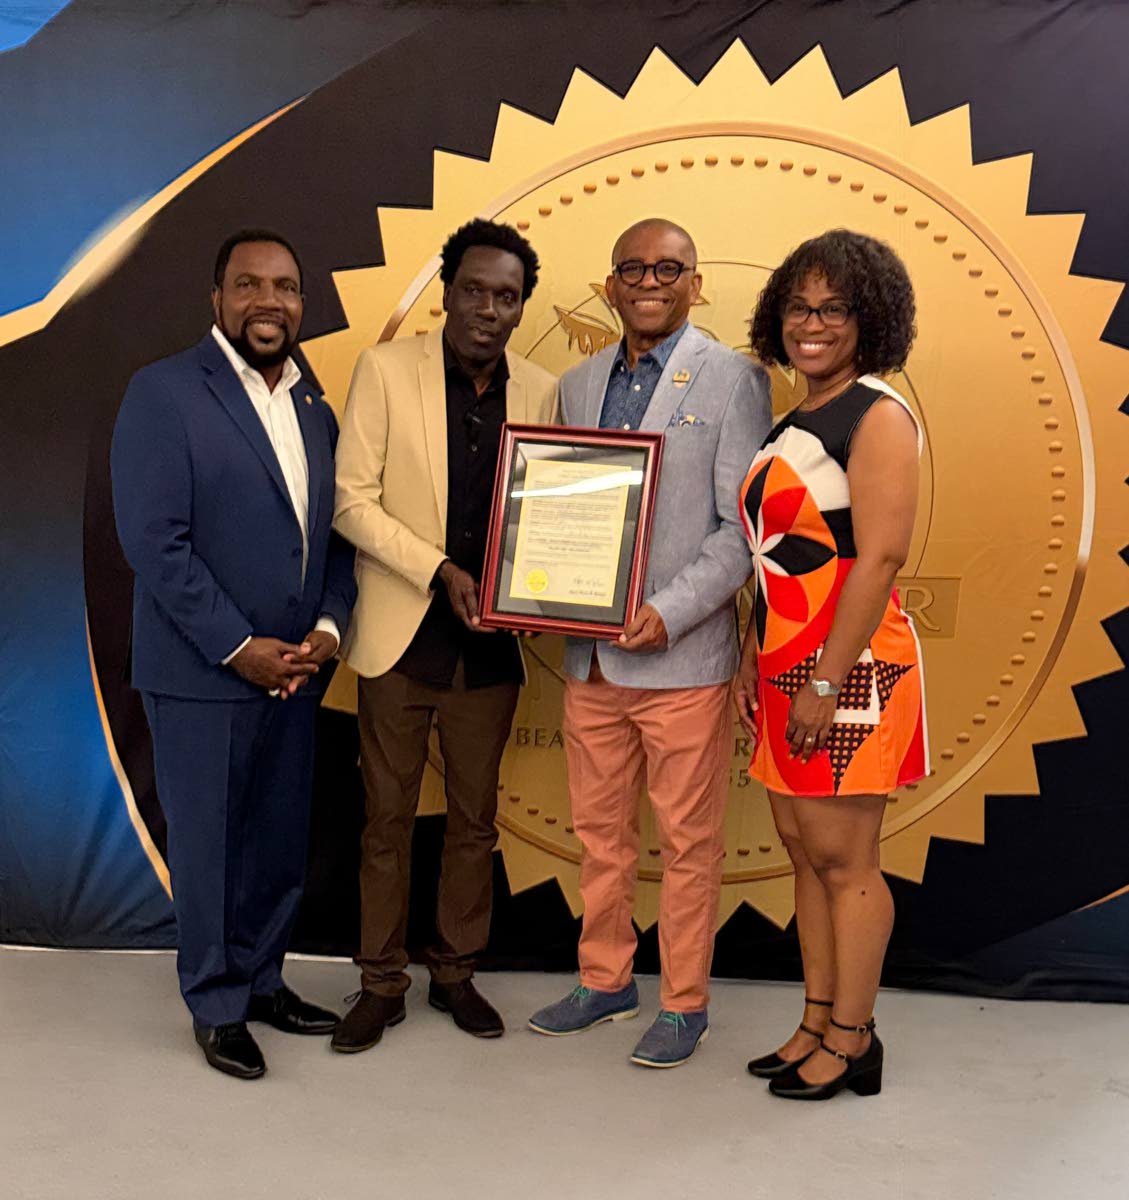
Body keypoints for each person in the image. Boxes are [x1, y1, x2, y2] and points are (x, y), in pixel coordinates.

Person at [110, 230, 357, 1079]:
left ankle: (261, 981)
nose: (268, 302)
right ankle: (215, 1004)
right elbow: (155, 541)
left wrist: (326, 631)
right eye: (248, 285)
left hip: (295, 671)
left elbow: (329, 537)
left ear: (301, 304)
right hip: (202, 674)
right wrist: (239, 647)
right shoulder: (165, 393)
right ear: (216, 299)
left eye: (285, 287)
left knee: (278, 841)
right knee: (211, 847)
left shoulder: (312, 404)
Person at [528, 218, 772, 1067]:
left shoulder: (734, 377)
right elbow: (563, 512)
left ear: (695, 282)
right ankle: (603, 980)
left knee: (689, 843)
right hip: (590, 657)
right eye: (631, 266)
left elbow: (739, 534)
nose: (648, 280)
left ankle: (684, 1000)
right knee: (599, 836)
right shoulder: (578, 380)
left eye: (668, 268)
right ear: (610, 282)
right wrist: (539, 587)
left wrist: (668, 611)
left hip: (680, 659)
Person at [331, 219, 557, 1052]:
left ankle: (455, 973)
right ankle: (379, 982)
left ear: (521, 307)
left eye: (507, 297)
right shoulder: (385, 371)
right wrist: (437, 570)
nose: (488, 309)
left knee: (473, 822)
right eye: (474, 290)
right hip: (400, 637)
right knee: (385, 822)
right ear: (446, 290)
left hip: (493, 648)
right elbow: (351, 502)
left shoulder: (541, 390)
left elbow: (558, 513)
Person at [737, 228, 928, 1100]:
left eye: (834, 309)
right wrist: (755, 650)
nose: (811, 325)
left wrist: (822, 681)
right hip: (786, 661)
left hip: (851, 669)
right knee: (802, 851)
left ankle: (854, 1038)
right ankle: (816, 1018)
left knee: (846, 858)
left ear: (869, 319)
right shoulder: (794, 419)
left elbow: (879, 560)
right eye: (798, 308)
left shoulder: (877, 413)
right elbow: (777, 556)